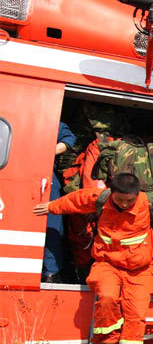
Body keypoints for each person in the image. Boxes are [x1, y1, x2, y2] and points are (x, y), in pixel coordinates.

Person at [33, 173, 153, 344]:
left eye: (129, 200)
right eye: (119, 199)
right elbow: (76, 200)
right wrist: (51, 207)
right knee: (106, 296)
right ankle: (107, 338)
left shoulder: (150, 203)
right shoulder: (100, 198)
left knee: (136, 315)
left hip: (140, 271)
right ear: (111, 193)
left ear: (137, 195)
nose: (124, 204)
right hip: (108, 264)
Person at [42, 121, 76, 283]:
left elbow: (69, 140)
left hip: (46, 177)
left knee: (52, 226)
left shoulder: (50, 120)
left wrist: (44, 152)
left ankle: (51, 273)